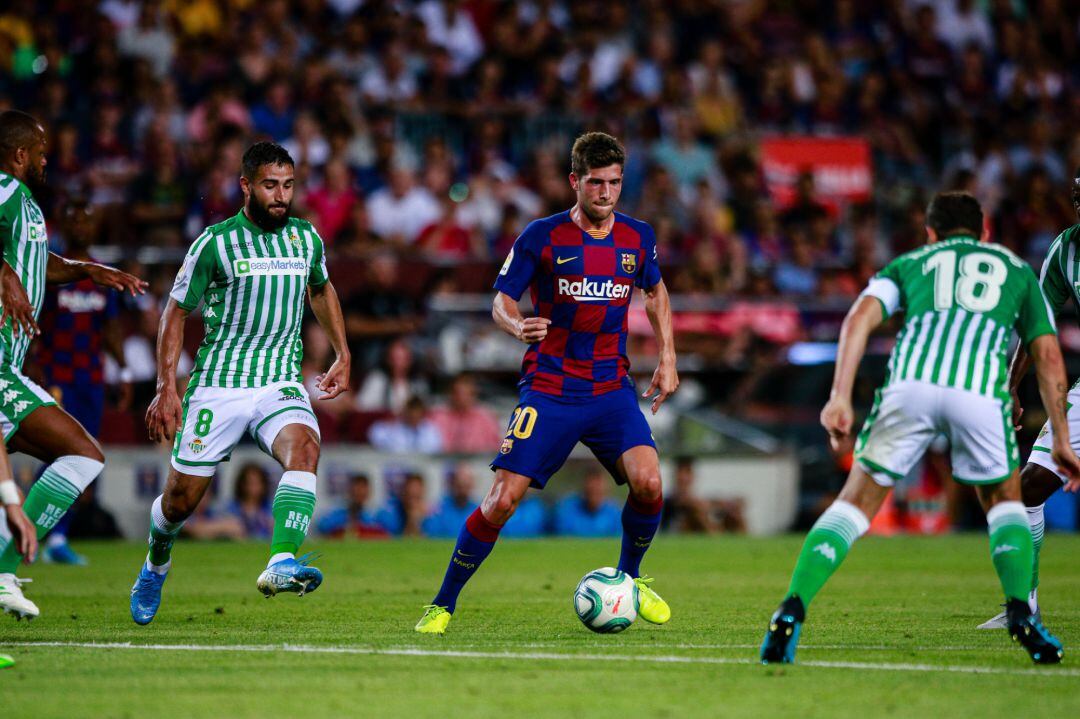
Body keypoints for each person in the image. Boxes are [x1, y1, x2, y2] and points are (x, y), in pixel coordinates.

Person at [760, 192, 1080, 665]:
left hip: (909, 385)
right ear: (984, 232)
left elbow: (857, 320)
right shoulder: (1012, 269)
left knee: (855, 503)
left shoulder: (912, 263)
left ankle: (791, 608)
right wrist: (1059, 433)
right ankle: (1022, 614)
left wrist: (840, 396)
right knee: (1006, 503)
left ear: (930, 233)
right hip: (979, 390)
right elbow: (1048, 353)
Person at [415, 132, 679, 634]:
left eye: (615, 183)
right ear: (575, 181)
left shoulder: (637, 237)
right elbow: (501, 300)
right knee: (502, 500)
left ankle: (632, 578)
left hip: (609, 387)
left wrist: (668, 356)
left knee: (649, 482)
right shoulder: (542, 235)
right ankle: (442, 603)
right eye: (596, 183)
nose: (606, 193)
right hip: (550, 387)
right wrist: (517, 326)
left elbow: (656, 291)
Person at [129, 141, 351, 625]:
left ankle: (280, 562)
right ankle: (155, 563)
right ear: (246, 185)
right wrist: (167, 386)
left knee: (306, 448)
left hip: (278, 381)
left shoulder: (306, 239)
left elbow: (320, 289)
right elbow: (175, 311)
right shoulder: (215, 243)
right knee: (179, 501)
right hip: (218, 385)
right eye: (271, 185)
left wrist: (342, 351)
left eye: (288, 186)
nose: (281, 196)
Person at [0, 110, 146, 621]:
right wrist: (4, 275)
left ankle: (4, 570)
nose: (46, 159)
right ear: (19, 154)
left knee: (83, 455)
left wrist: (88, 269)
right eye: (39, 152)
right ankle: (5, 571)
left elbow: (41, 263)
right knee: (82, 453)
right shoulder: (4, 190)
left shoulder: (26, 207)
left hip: (9, 370)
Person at [978, 168, 1080, 630]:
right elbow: (1039, 323)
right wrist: (1012, 384)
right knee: (1027, 489)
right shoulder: (1066, 250)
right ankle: (1024, 606)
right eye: (1078, 198)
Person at [34, 199, 131, 565]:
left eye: (87, 220)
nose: (81, 227)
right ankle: (37, 532)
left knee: (86, 457)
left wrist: (121, 371)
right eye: (74, 220)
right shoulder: (54, 271)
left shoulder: (100, 275)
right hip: (57, 376)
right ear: (64, 224)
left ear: (95, 227)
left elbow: (110, 328)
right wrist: (35, 366)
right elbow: (35, 322)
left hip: (90, 378)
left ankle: (57, 535)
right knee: (61, 453)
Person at [427, 373, 502, 453]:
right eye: (458, 393)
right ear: (450, 393)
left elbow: (497, 450)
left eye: (467, 394)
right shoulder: (437, 416)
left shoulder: (486, 419)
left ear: (474, 394)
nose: (462, 398)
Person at [552, 468, 622, 537]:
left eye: (598, 492)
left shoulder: (615, 514)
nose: (594, 495)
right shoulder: (566, 510)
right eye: (591, 491)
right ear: (584, 488)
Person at [315, 473, 388, 538]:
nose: (359, 493)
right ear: (350, 491)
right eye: (356, 492)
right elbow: (323, 527)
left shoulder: (377, 513)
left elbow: (391, 529)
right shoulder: (340, 512)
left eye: (362, 491)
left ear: (369, 491)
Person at [422, 463, 478, 538]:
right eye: (459, 485)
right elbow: (430, 533)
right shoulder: (438, 509)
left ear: (472, 485)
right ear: (452, 484)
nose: (462, 490)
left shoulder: (479, 511)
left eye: (466, 485)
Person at [223, 464, 274, 540]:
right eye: (250, 483)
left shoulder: (271, 507)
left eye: (258, 483)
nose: (254, 488)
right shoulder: (232, 506)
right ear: (242, 485)